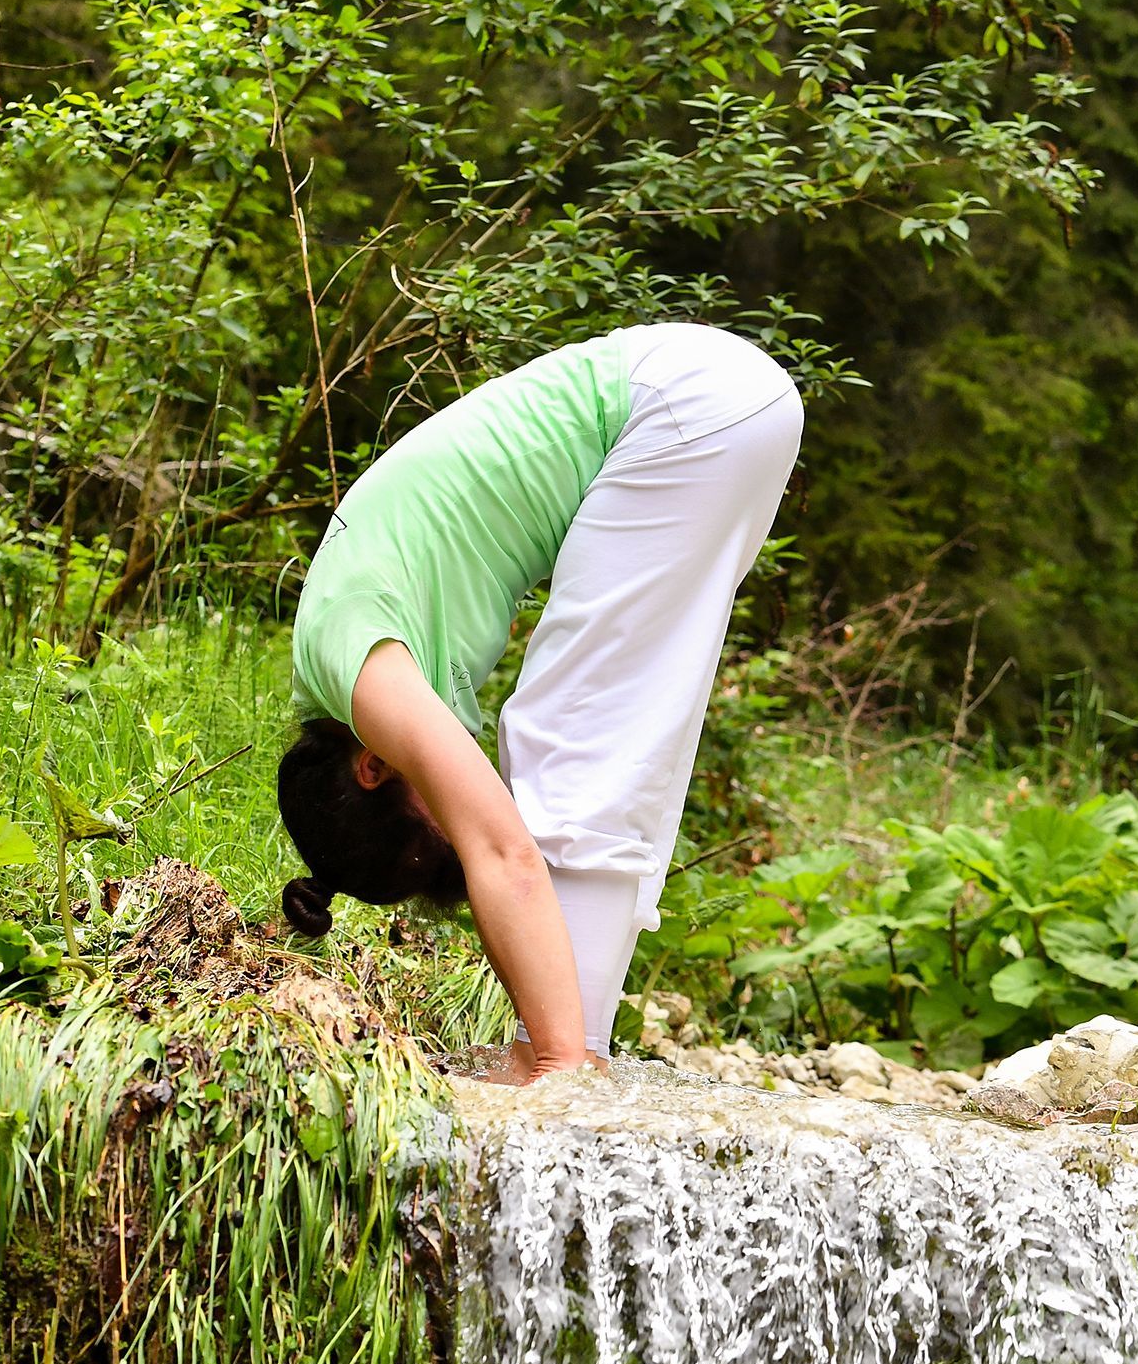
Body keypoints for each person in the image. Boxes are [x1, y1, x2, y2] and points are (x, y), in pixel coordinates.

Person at [277, 321, 803, 1084]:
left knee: (571, 741)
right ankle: (576, 1053)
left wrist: (555, 1083)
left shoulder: (364, 681)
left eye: (434, 819)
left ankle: (560, 1069)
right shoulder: (350, 670)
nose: (460, 808)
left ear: (371, 769)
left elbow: (506, 855)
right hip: (713, 402)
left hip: (676, 406)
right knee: (620, 738)